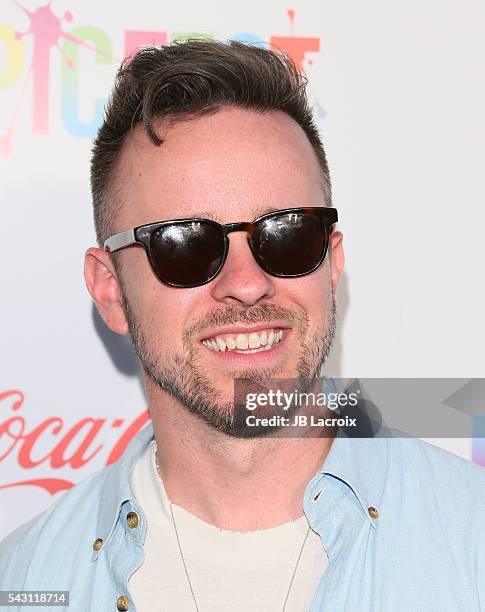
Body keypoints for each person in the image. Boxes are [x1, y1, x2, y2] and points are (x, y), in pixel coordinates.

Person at [0, 40, 484, 612]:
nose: (247, 284)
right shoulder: (25, 578)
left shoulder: (470, 537)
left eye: (287, 234)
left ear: (332, 261)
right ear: (110, 288)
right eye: (184, 245)